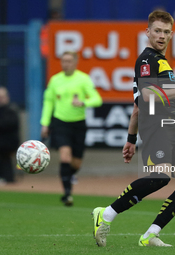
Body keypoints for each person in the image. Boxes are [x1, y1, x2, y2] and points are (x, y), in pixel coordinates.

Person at [92, 10, 175, 247]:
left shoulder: (160, 61)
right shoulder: (148, 59)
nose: (162, 36)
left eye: (166, 32)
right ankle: (106, 214)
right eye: (157, 31)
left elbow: (138, 106)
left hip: (174, 127)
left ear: (172, 34)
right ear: (148, 32)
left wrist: (130, 138)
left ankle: (151, 233)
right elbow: (149, 97)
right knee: (159, 178)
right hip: (157, 128)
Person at [40, 51, 102, 206]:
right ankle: (67, 194)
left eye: (69, 61)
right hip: (60, 122)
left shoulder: (83, 79)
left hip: (78, 124)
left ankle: (68, 176)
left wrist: (83, 102)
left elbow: (97, 99)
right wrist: (45, 123)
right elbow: (48, 102)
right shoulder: (55, 80)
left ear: (75, 62)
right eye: (63, 61)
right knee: (65, 157)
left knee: (76, 164)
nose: (65, 63)